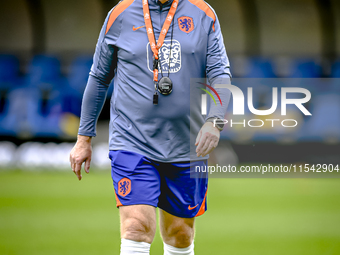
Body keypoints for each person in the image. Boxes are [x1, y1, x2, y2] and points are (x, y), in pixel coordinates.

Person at [69, 0, 231, 254]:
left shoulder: (203, 13)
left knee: (180, 234)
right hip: (132, 141)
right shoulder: (120, 13)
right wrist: (83, 138)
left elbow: (219, 73)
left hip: (187, 145)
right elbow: (99, 77)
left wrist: (215, 120)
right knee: (137, 226)